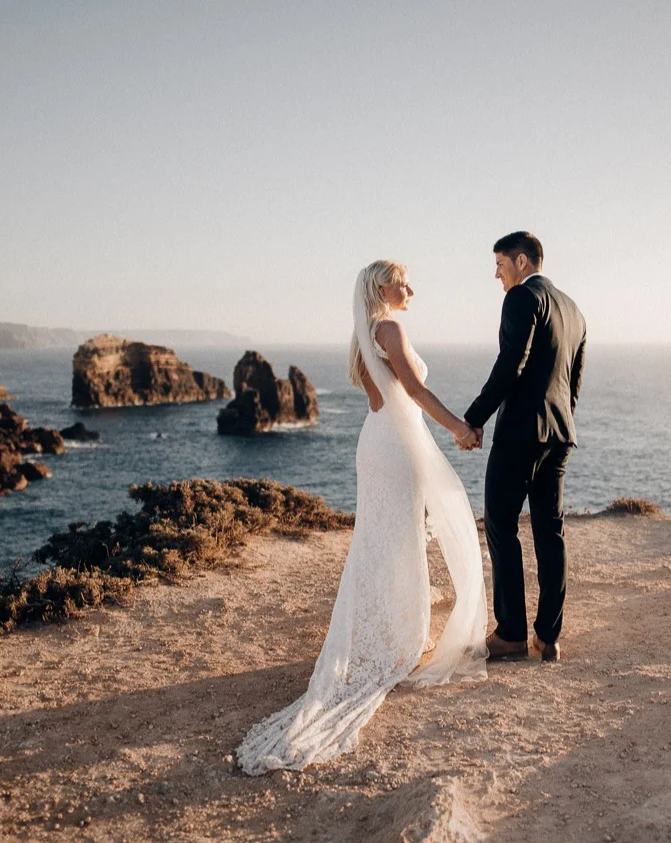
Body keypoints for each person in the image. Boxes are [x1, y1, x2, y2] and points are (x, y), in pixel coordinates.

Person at [235, 260, 488, 776]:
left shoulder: (361, 334)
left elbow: (388, 395)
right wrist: (461, 427)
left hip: (375, 443)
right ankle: (395, 640)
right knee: (399, 543)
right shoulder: (389, 328)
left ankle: (384, 632)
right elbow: (414, 394)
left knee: (379, 543)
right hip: (396, 448)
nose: (411, 288)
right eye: (403, 281)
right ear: (381, 287)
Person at [462, 232, 586, 663]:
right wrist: (559, 427)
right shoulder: (575, 311)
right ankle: (548, 638)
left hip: (518, 435)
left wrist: (473, 419)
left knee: (500, 524)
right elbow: (572, 385)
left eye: (499, 264)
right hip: (559, 435)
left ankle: (512, 635)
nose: (496, 273)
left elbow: (510, 365)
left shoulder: (520, 298)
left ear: (520, 260)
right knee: (551, 532)